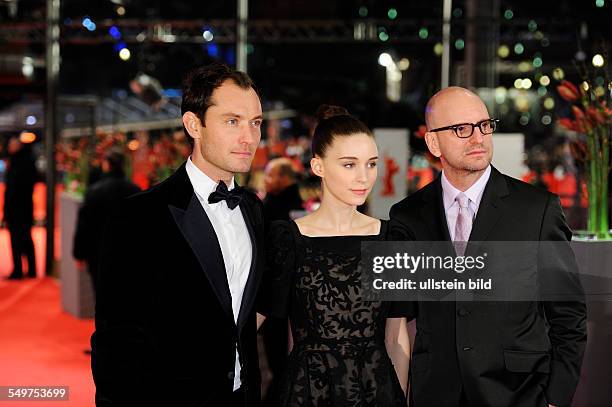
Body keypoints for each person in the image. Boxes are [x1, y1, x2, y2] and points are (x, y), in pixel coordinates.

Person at [389, 87, 587, 407]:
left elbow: (568, 314)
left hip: (518, 393)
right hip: (436, 393)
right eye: (461, 129)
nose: (478, 138)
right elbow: (398, 311)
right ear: (433, 142)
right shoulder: (408, 216)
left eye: (484, 125)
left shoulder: (537, 210)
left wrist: (555, 398)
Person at [91, 62, 265, 407]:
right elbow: (116, 344)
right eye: (232, 122)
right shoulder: (138, 217)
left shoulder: (253, 209)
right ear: (193, 124)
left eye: (256, 123)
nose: (249, 137)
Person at [257, 105, 410, 406]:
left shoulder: (390, 239)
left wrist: (401, 398)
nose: (363, 177)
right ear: (318, 167)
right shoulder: (288, 240)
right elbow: (252, 322)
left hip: (376, 393)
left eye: (371, 164)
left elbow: (395, 337)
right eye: (349, 165)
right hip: (307, 394)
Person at [73, 148, 140, 297]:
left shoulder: (94, 191)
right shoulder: (135, 190)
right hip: (127, 252)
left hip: (98, 251)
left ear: (107, 165)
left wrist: (78, 253)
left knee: (101, 294)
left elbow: (84, 224)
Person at [3, 136, 37, 280]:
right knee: (25, 239)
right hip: (22, 208)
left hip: (18, 209)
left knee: (19, 239)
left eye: (12, 144)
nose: (10, 147)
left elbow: (13, 190)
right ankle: (30, 269)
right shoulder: (22, 162)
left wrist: (7, 211)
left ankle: (20, 270)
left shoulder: (20, 163)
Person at [262, 157, 303, 222]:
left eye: (270, 175)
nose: (264, 180)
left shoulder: (293, 210)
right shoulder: (273, 196)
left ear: (285, 178)